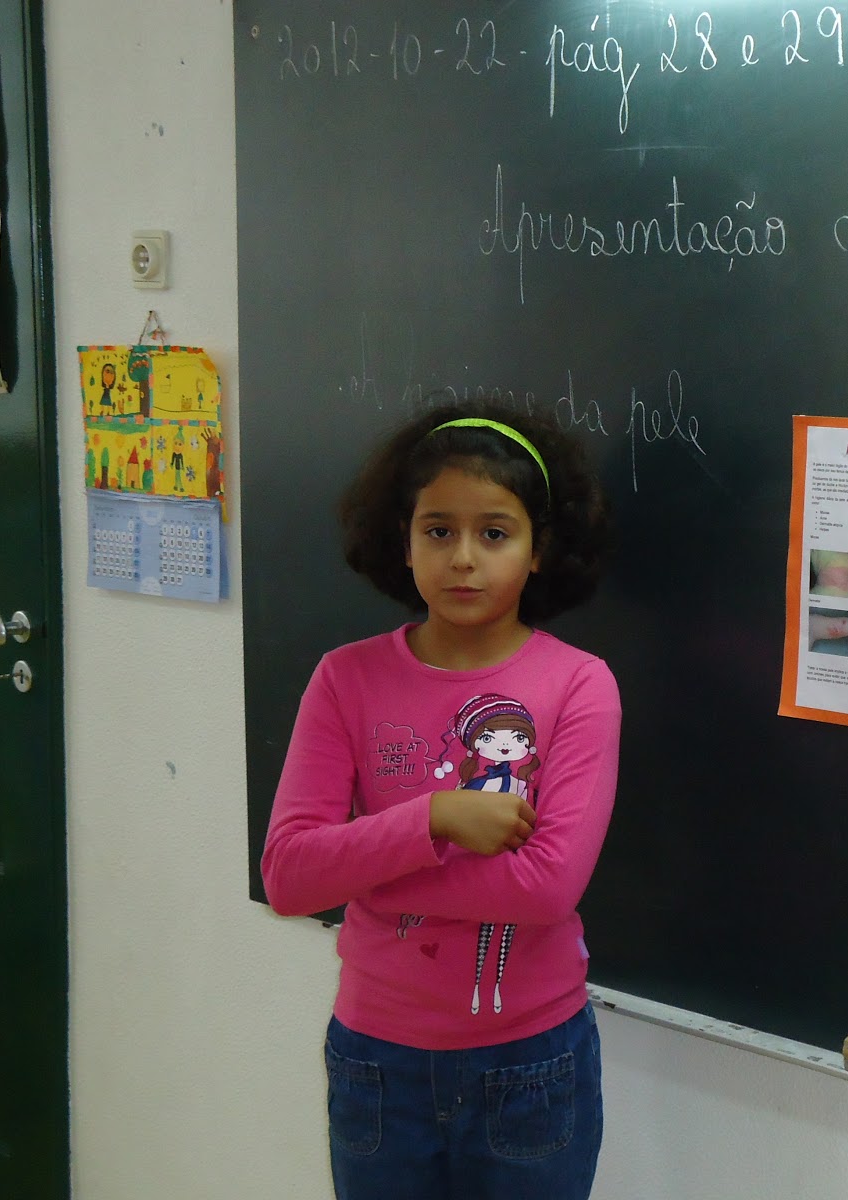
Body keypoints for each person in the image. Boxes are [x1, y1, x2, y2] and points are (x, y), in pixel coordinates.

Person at [261, 401, 619, 1200]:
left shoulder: (579, 685)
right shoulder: (345, 678)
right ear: (404, 539)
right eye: (438, 530)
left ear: (538, 549)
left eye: (494, 533)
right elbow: (288, 876)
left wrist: (364, 871)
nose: (463, 558)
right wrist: (434, 818)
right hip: (377, 1062)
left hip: (532, 1063)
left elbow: (548, 888)